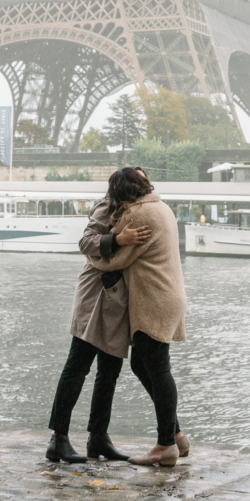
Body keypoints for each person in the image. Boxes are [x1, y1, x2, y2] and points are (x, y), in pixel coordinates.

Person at [44, 169, 152, 464]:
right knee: (77, 366)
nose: (146, 186)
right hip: (95, 295)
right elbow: (86, 242)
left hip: (117, 298)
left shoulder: (137, 208)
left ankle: (98, 439)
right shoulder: (108, 205)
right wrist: (118, 239)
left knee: (109, 371)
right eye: (140, 181)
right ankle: (59, 439)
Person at [89, 167, 190, 468]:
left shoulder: (137, 216)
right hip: (169, 296)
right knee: (146, 366)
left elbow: (116, 259)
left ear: (122, 191)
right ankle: (177, 436)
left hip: (153, 300)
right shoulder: (162, 207)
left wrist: (93, 255)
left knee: (158, 370)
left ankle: (165, 446)